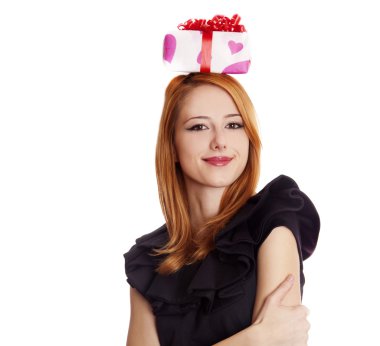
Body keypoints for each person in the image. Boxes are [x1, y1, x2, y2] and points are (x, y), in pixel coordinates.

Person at [123, 72, 320, 345]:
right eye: (199, 127)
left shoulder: (271, 222)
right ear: (172, 146)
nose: (220, 141)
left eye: (234, 125)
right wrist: (256, 338)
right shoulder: (148, 263)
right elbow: (271, 340)